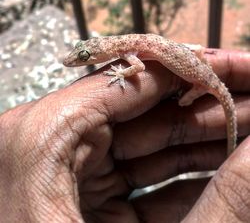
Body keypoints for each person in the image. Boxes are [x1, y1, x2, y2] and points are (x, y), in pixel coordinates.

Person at [0, 48, 250, 223]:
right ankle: (227, 148)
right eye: (82, 53)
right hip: (198, 67)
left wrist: (121, 74)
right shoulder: (129, 44)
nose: (77, 60)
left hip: (202, 83)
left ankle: (229, 149)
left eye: (84, 57)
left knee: (185, 103)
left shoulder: (131, 54)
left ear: (101, 54)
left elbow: (139, 67)